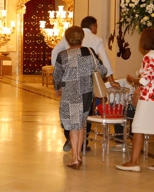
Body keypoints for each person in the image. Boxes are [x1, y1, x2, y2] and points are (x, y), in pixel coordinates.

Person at [51, 16, 119, 151]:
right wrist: (110, 78)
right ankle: (82, 146)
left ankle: (70, 139)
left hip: (69, 87)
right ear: (92, 27)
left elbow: (55, 54)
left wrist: (59, 77)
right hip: (86, 87)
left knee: (69, 116)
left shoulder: (65, 48)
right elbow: (104, 64)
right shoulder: (94, 44)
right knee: (83, 117)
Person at [53, 26, 107, 170]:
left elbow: (57, 76)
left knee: (72, 126)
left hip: (70, 93)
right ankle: (78, 157)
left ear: (67, 39)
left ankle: (75, 158)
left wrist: (57, 88)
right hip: (86, 93)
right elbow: (103, 70)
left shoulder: (63, 55)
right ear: (81, 37)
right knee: (81, 125)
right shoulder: (89, 52)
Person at [116, 28, 154, 172]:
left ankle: (134, 162)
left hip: (148, 97)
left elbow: (145, 80)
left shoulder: (148, 56)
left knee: (138, 127)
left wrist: (133, 80)